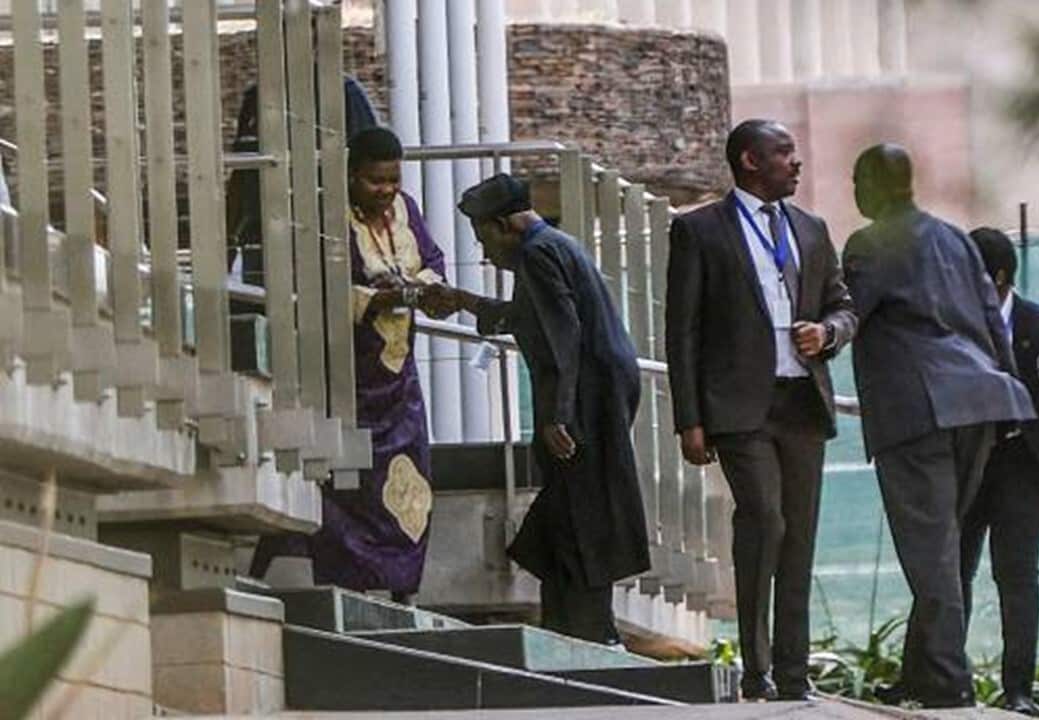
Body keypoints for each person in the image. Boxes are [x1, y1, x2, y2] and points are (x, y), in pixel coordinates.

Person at [666, 119, 857, 702]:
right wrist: (689, 419)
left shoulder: (812, 229)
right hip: (738, 407)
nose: (795, 163)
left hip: (801, 401)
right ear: (750, 161)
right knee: (765, 521)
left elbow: (844, 306)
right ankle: (757, 666)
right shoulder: (700, 230)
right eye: (783, 153)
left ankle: (793, 676)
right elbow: (683, 331)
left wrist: (825, 333)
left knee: (798, 536)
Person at [842, 144, 1034, 708]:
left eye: (857, 179)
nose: (853, 189)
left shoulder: (869, 244)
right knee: (942, 548)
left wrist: (813, 336)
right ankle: (923, 674)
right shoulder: (955, 237)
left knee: (932, 554)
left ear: (877, 184)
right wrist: (1012, 387)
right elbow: (991, 322)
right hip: (981, 401)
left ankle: (950, 684)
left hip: (917, 410)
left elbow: (849, 314)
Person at [442, 173, 650, 644]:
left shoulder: (537, 255)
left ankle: (596, 631)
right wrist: (464, 301)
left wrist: (559, 415)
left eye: (484, 238)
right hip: (598, 391)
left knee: (582, 514)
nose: (484, 253)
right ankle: (566, 626)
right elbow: (529, 319)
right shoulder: (555, 246)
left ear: (504, 225)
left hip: (585, 399)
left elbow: (563, 337)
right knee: (562, 519)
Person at [250, 126, 452, 603]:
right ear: (350, 176)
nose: (385, 191)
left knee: (407, 480)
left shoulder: (407, 211)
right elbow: (315, 286)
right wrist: (378, 296)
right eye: (374, 181)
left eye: (392, 181)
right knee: (346, 483)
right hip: (343, 373)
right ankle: (348, 584)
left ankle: (402, 587)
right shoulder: (325, 218)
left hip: (398, 377)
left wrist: (419, 286)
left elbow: (434, 259)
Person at [960, 228, 1039, 717]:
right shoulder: (952, 324)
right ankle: (951, 681)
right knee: (954, 573)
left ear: (996, 278)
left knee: (1016, 576)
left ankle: (1019, 690)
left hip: (1022, 462)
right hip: (968, 463)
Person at [226, 75, 380, 286]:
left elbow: (372, 166)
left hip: (330, 233)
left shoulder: (342, 92)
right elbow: (241, 174)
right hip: (264, 236)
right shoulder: (257, 97)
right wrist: (228, 240)